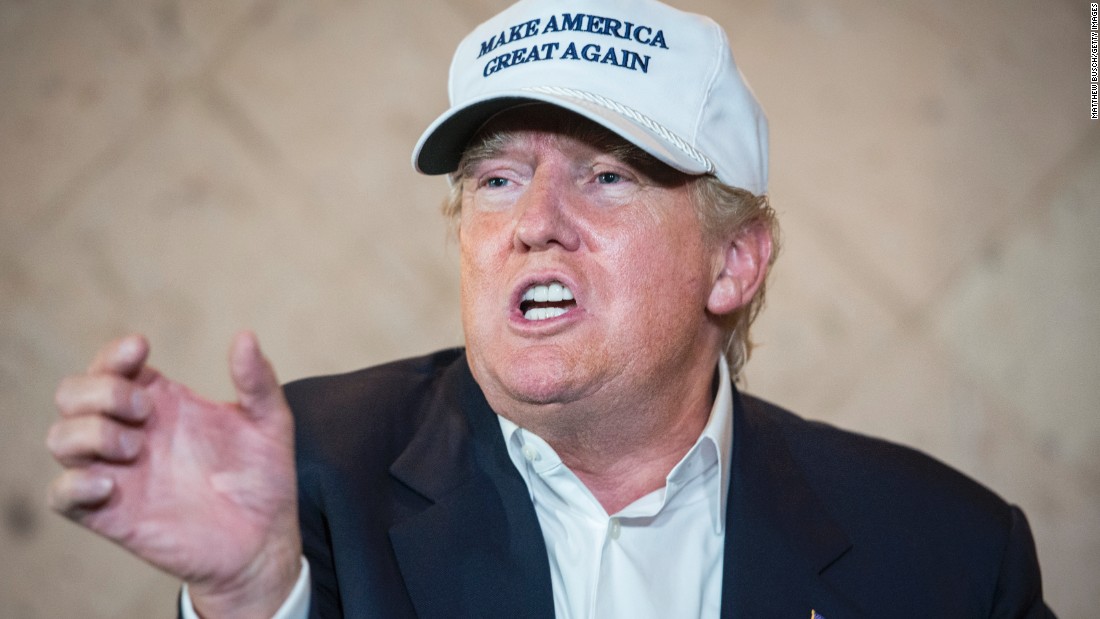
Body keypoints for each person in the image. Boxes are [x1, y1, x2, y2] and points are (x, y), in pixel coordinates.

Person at [46, 0, 1055, 617]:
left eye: (607, 177)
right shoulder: (304, 481)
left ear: (733, 262)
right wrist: (246, 599)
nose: (534, 222)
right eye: (494, 180)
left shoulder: (946, 553)